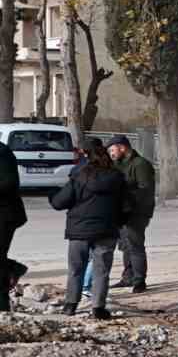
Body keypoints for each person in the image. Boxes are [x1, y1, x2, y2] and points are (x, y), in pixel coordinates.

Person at [50, 139, 130, 320]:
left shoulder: (79, 176)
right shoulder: (117, 177)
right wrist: (118, 222)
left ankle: (70, 305)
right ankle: (98, 308)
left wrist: (51, 194)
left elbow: (59, 203)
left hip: (79, 231)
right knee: (101, 270)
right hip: (106, 231)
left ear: (87, 156)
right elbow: (127, 206)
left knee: (76, 269)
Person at [107, 135, 155, 293]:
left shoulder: (140, 164)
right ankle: (128, 277)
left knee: (135, 245)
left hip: (137, 212)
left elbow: (144, 190)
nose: (111, 154)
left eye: (112, 150)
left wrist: (126, 199)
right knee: (125, 246)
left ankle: (139, 280)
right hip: (120, 212)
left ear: (122, 147)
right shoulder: (117, 164)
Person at [0, 135, 26, 312]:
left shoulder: (3, 153)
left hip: (5, 214)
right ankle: (13, 267)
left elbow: (9, 182)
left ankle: (1, 304)